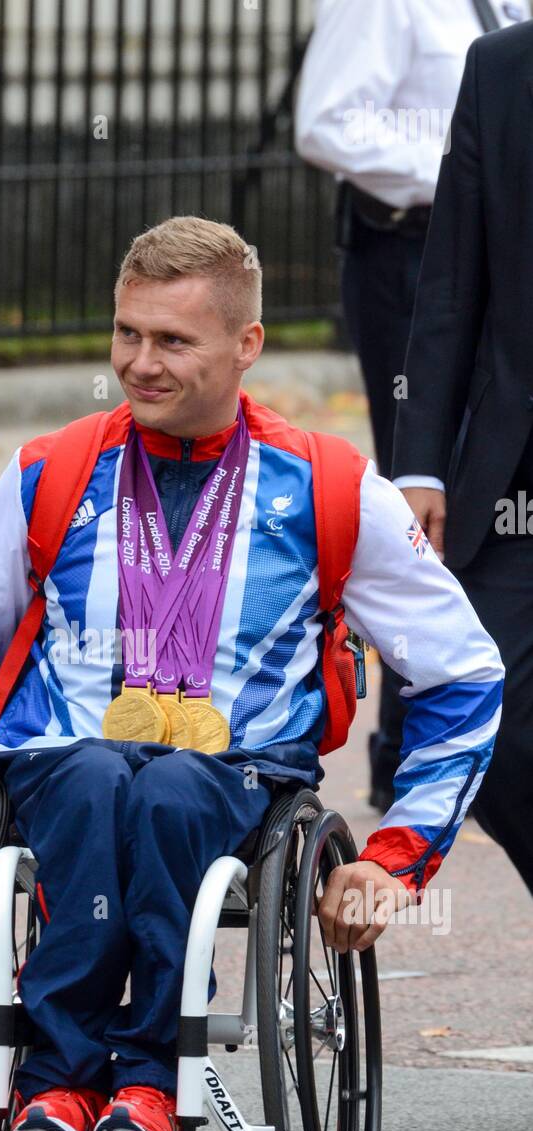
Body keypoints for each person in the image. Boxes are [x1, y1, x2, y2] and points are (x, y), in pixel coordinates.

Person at [0, 217, 503, 1131]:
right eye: (127, 334)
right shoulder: (49, 472)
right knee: (94, 777)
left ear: (246, 345)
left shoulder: (331, 486)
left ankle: (147, 1082)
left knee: (167, 788)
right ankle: (55, 1084)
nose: (140, 363)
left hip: (238, 778)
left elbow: (461, 672)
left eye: (172, 340)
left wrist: (394, 855)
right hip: (64, 768)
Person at [295, 0, 528, 813]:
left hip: (474, 249)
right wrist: (471, 170)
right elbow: (326, 124)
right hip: (409, 250)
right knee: (428, 508)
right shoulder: (406, 12)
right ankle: (405, 747)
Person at [392, 20, 533, 893]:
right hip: (510, 479)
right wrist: (419, 465)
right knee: (492, 729)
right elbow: (450, 282)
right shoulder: (499, 68)